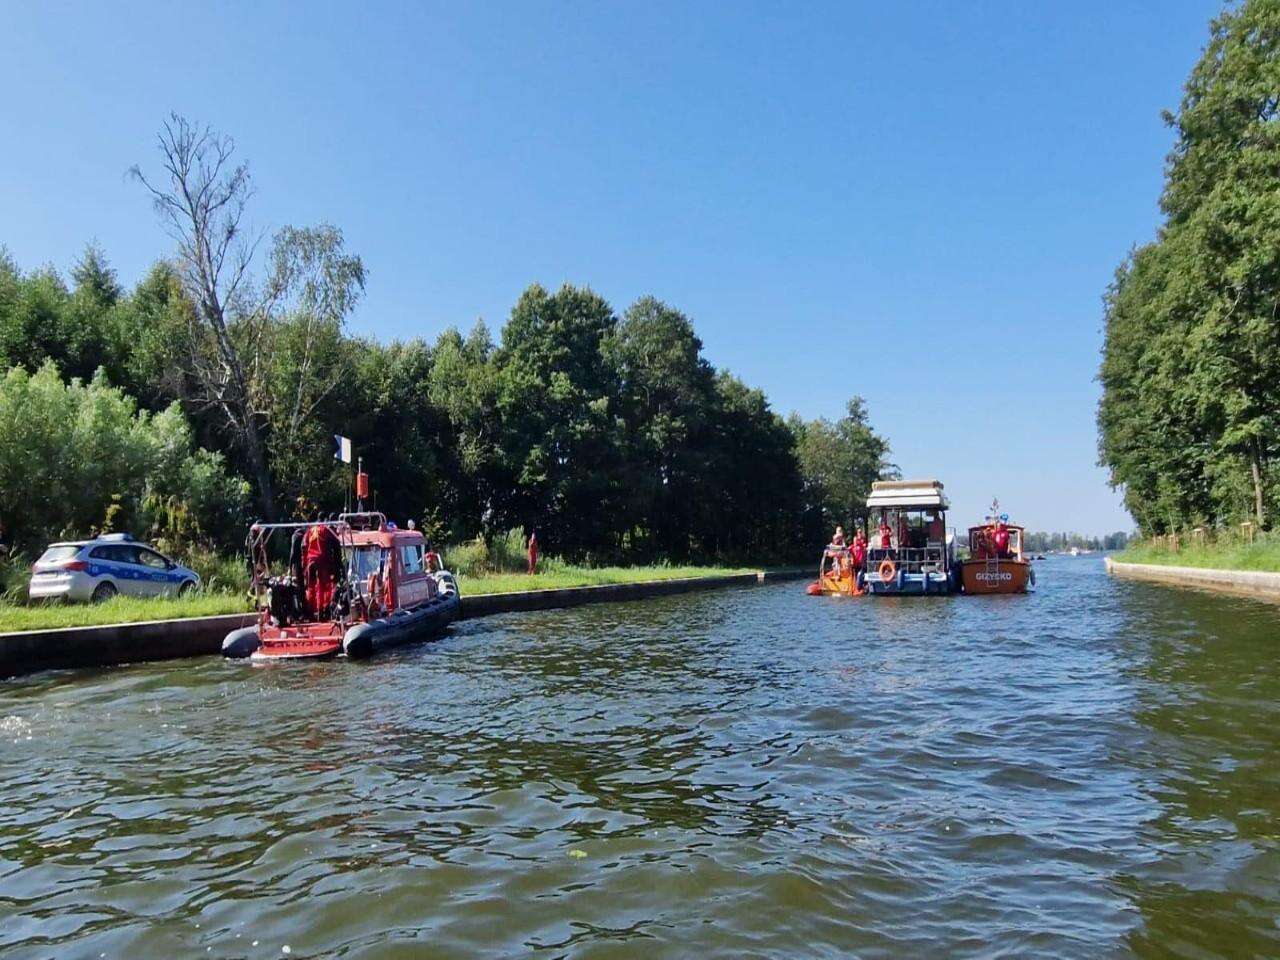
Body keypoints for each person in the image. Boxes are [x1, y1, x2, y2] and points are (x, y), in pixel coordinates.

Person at [303, 522, 343, 618]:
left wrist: (304, 565)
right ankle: (321, 612)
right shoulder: (325, 530)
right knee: (322, 587)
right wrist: (333, 564)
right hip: (321, 560)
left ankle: (310, 611)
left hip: (310, 560)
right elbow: (334, 545)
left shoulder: (310, 530)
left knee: (311, 587)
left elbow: (304, 546)